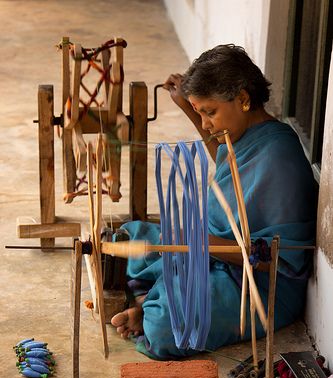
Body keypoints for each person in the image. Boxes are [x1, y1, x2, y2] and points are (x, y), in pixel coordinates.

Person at [111, 44, 318, 360]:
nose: (205, 124)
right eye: (200, 113)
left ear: (244, 99)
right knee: (132, 238)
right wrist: (187, 107)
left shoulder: (280, 159)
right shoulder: (242, 133)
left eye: (209, 112)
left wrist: (204, 244)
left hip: (257, 284)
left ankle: (148, 308)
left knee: (170, 326)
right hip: (217, 249)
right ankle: (149, 301)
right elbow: (225, 165)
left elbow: (278, 260)